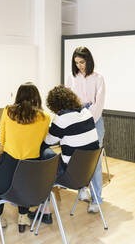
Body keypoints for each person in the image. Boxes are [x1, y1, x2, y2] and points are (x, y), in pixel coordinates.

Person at [28, 85, 100, 223]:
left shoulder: (62, 118)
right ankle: (42, 205)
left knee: (43, 155)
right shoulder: (87, 113)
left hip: (69, 174)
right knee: (50, 158)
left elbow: (48, 141)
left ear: (54, 105)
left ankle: (42, 208)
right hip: (86, 174)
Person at [0, 82, 51, 234]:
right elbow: (41, 141)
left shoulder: (7, 111)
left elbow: (2, 141)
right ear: (37, 98)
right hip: (30, 175)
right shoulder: (45, 117)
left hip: (7, 170)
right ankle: (23, 217)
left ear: (18, 96)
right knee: (25, 182)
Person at [65, 46, 106, 213]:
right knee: (77, 157)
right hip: (76, 117)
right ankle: (82, 189)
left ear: (88, 60)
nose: (80, 66)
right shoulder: (71, 77)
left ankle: (96, 199)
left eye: (82, 62)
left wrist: (86, 119)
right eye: (76, 62)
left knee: (94, 161)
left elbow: (99, 103)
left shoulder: (98, 78)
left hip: (93, 120)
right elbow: (67, 99)